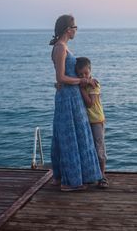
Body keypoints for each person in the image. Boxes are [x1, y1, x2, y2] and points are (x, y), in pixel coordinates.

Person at [50, 14, 102, 191]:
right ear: (68, 29)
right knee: (70, 137)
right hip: (68, 98)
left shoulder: (64, 48)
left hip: (71, 96)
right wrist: (82, 81)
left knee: (70, 135)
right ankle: (69, 182)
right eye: (75, 27)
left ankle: (61, 177)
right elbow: (61, 77)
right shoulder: (60, 48)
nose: (76, 30)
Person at [75, 57, 109, 188]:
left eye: (86, 74)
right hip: (85, 120)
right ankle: (91, 174)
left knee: (99, 147)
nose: (84, 76)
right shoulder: (81, 83)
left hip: (96, 120)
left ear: (90, 71)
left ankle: (102, 176)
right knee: (88, 147)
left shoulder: (94, 85)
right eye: (80, 75)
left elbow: (90, 104)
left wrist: (83, 89)